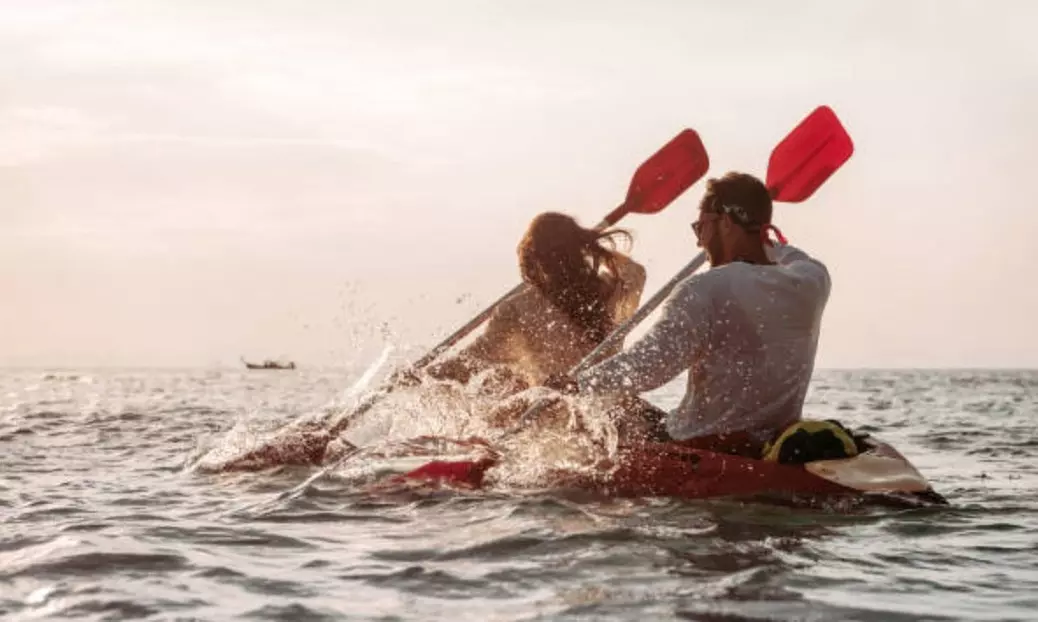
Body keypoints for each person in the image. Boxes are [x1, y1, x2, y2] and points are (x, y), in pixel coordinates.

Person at [213, 212, 647, 471]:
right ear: (575, 250)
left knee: (497, 404)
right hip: (612, 416)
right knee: (505, 389)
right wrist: (589, 244)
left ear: (531, 260)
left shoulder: (519, 309)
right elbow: (636, 270)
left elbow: (467, 362)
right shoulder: (613, 288)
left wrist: (421, 376)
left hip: (558, 418)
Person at [549, 172, 832, 457]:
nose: (700, 243)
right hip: (768, 443)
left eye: (701, 228)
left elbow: (650, 364)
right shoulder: (812, 281)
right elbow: (786, 253)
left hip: (703, 445)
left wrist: (579, 383)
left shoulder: (704, 289)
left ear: (726, 222)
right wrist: (752, 226)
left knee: (613, 411)